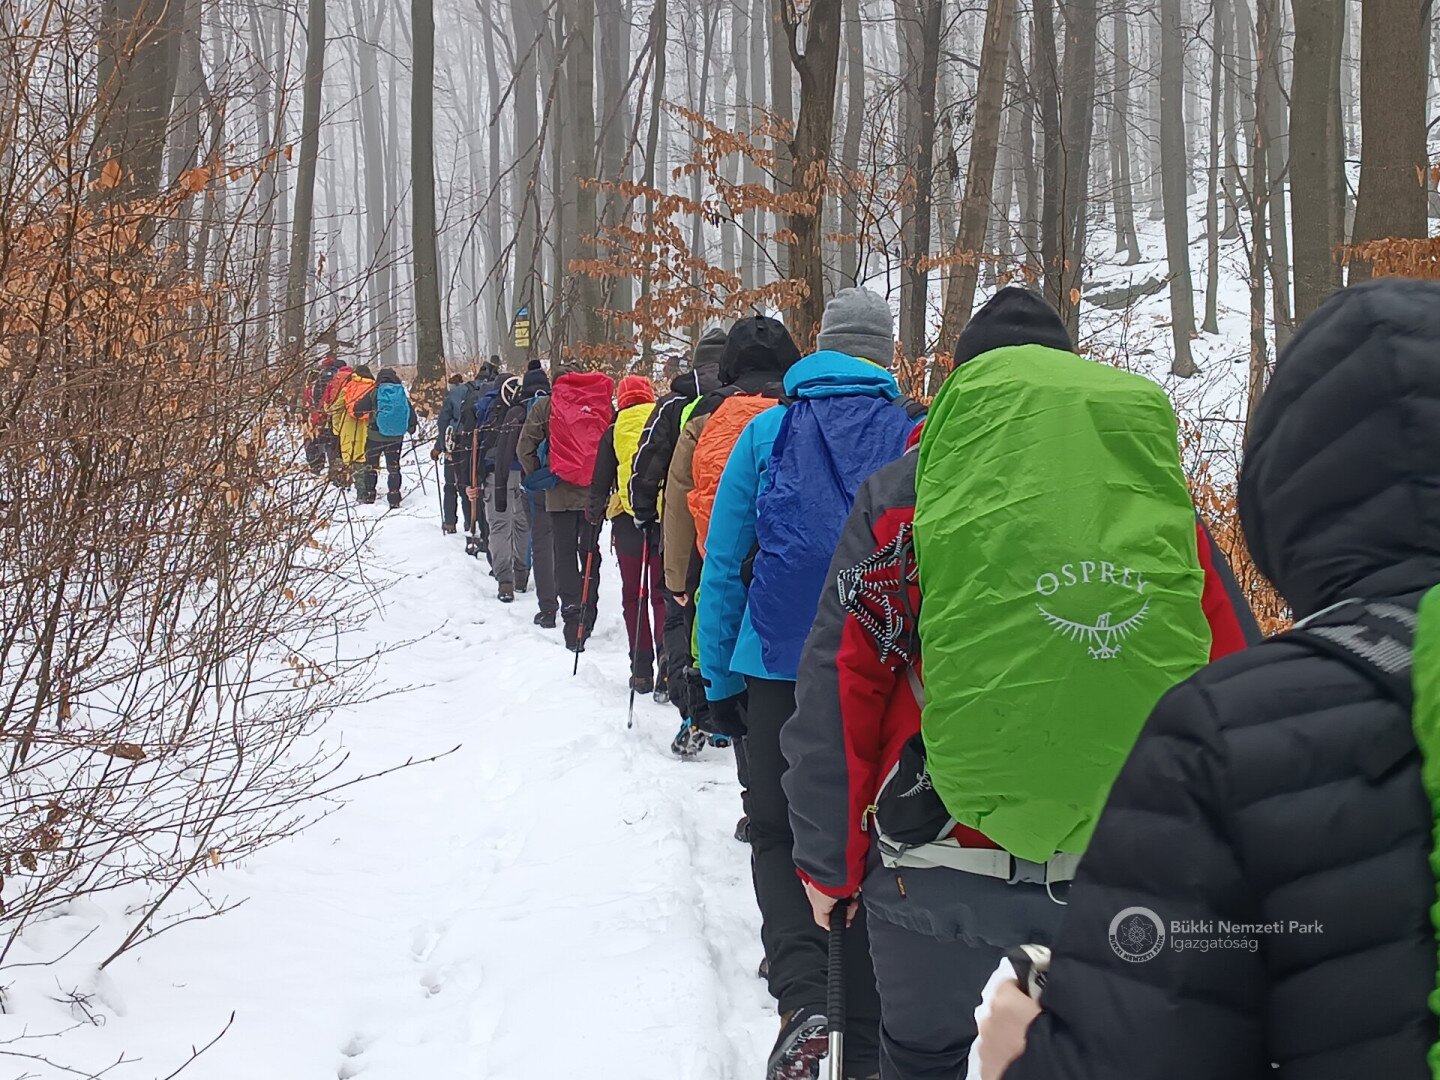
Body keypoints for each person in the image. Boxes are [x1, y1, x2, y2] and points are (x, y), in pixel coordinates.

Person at [779, 288, 1260, 1080]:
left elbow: (844, 681)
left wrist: (828, 863)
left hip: (930, 858)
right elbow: (1235, 672)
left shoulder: (907, 493)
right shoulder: (1152, 494)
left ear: (963, 384)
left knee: (921, 1057)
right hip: (1125, 866)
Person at [976, 279, 1440, 1080]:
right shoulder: (1153, 506)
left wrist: (1016, 1055)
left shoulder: (1224, 739)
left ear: (1290, 489)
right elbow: (1224, 629)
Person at [697, 287, 921, 1080]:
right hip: (887, 670)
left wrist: (716, 677)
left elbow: (724, 564)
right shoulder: (918, 433)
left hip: (777, 666)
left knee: (777, 830)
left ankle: (803, 998)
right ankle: (868, 1024)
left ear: (820, 346)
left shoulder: (765, 431)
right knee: (878, 838)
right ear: (885, 354)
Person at [662, 317, 799, 758]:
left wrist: (677, 577)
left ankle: (745, 763)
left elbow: (680, 495)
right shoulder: (802, 408)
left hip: (717, 558)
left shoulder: (706, 415)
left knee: (727, 659)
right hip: (788, 563)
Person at [630, 326, 727, 708]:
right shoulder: (747, 400)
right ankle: (721, 696)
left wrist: (642, 512)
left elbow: (647, 461)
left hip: (679, 523)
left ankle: (680, 690)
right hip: (729, 523)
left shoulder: (673, 405)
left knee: (677, 606)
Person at [518, 365, 616, 651]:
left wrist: (540, 475)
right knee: (589, 551)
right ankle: (589, 610)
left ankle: (572, 616)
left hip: (559, 492)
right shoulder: (599, 403)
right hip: (594, 492)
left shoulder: (546, 405)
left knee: (563, 554)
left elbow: (524, 447)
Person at [589, 374, 667, 694]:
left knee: (634, 595)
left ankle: (641, 670)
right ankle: (667, 665)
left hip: (627, 522)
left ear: (621, 399)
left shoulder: (613, 430)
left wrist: (593, 515)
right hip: (662, 521)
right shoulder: (663, 419)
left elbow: (600, 481)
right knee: (661, 594)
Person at [505, 359, 559, 627]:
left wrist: (534, 475)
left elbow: (523, 448)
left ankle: (547, 606)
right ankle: (578, 607)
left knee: (540, 540)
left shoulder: (535, 407)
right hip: (580, 485)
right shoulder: (582, 404)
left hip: (543, 484)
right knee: (572, 545)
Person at [477, 376, 532, 602]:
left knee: (500, 526)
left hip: (496, 472)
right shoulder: (527, 404)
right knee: (522, 524)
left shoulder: (488, 405)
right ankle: (521, 574)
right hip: (525, 470)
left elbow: (478, 441)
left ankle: (505, 581)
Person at [433, 364, 498, 534]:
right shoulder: (494, 392)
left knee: (453, 484)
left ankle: (451, 522)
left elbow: (443, 421)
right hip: (481, 443)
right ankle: (475, 524)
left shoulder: (457, 391)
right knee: (475, 485)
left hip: (455, 442)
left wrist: (441, 447)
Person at [354, 368, 418, 507]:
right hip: (395, 438)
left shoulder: (375, 392)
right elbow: (410, 412)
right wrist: (411, 427)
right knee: (394, 467)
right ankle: (394, 497)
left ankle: (370, 494)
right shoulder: (400, 392)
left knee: (371, 466)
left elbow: (358, 410)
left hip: (375, 436)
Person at [330, 363, 375, 493]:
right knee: (363, 458)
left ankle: (347, 484)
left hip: (347, 426)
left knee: (348, 458)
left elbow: (336, 409)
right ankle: (364, 490)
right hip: (366, 427)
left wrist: (337, 428)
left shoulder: (348, 388)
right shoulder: (373, 389)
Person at [304, 352, 344, 475]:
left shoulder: (317, 378)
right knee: (333, 443)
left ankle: (316, 466)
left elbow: (309, 397)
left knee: (316, 440)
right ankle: (336, 471)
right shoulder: (339, 379)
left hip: (318, 414)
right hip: (334, 415)